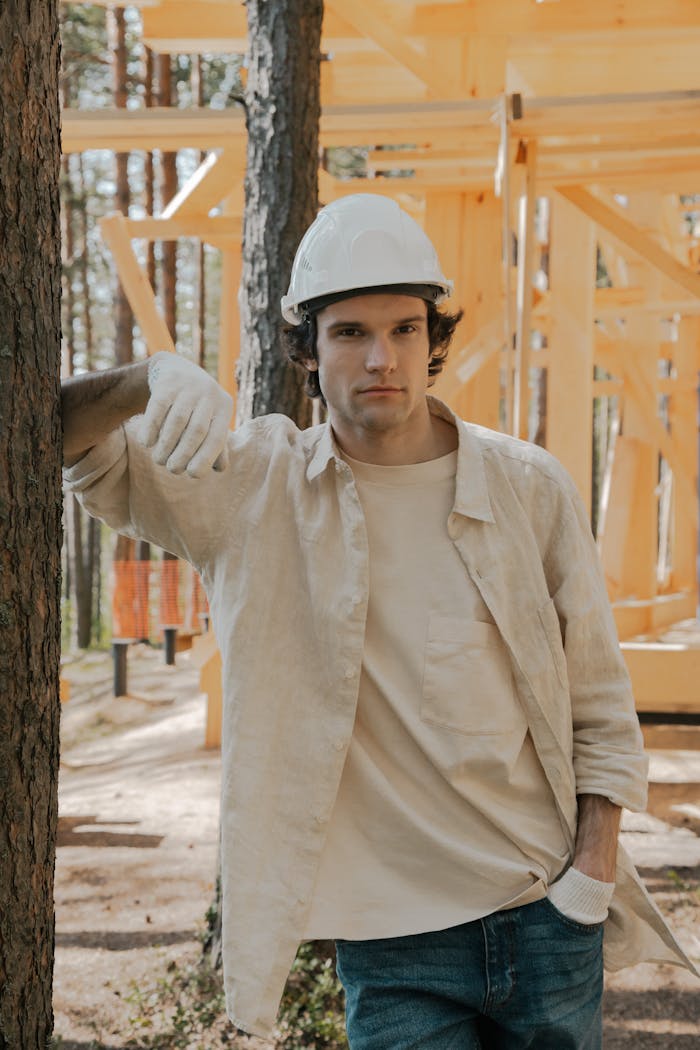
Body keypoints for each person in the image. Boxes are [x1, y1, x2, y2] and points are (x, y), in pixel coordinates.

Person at [62, 194, 694, 1048]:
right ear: (309, 352)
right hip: (394, 948)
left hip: (545, 915)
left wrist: (590, 873)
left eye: (403, 329)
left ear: (433, 340)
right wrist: (151, 376)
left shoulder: (528, 489)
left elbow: (599, 703)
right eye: (351, 332)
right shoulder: (256, 488)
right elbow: (65, 436)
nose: (381, 357)